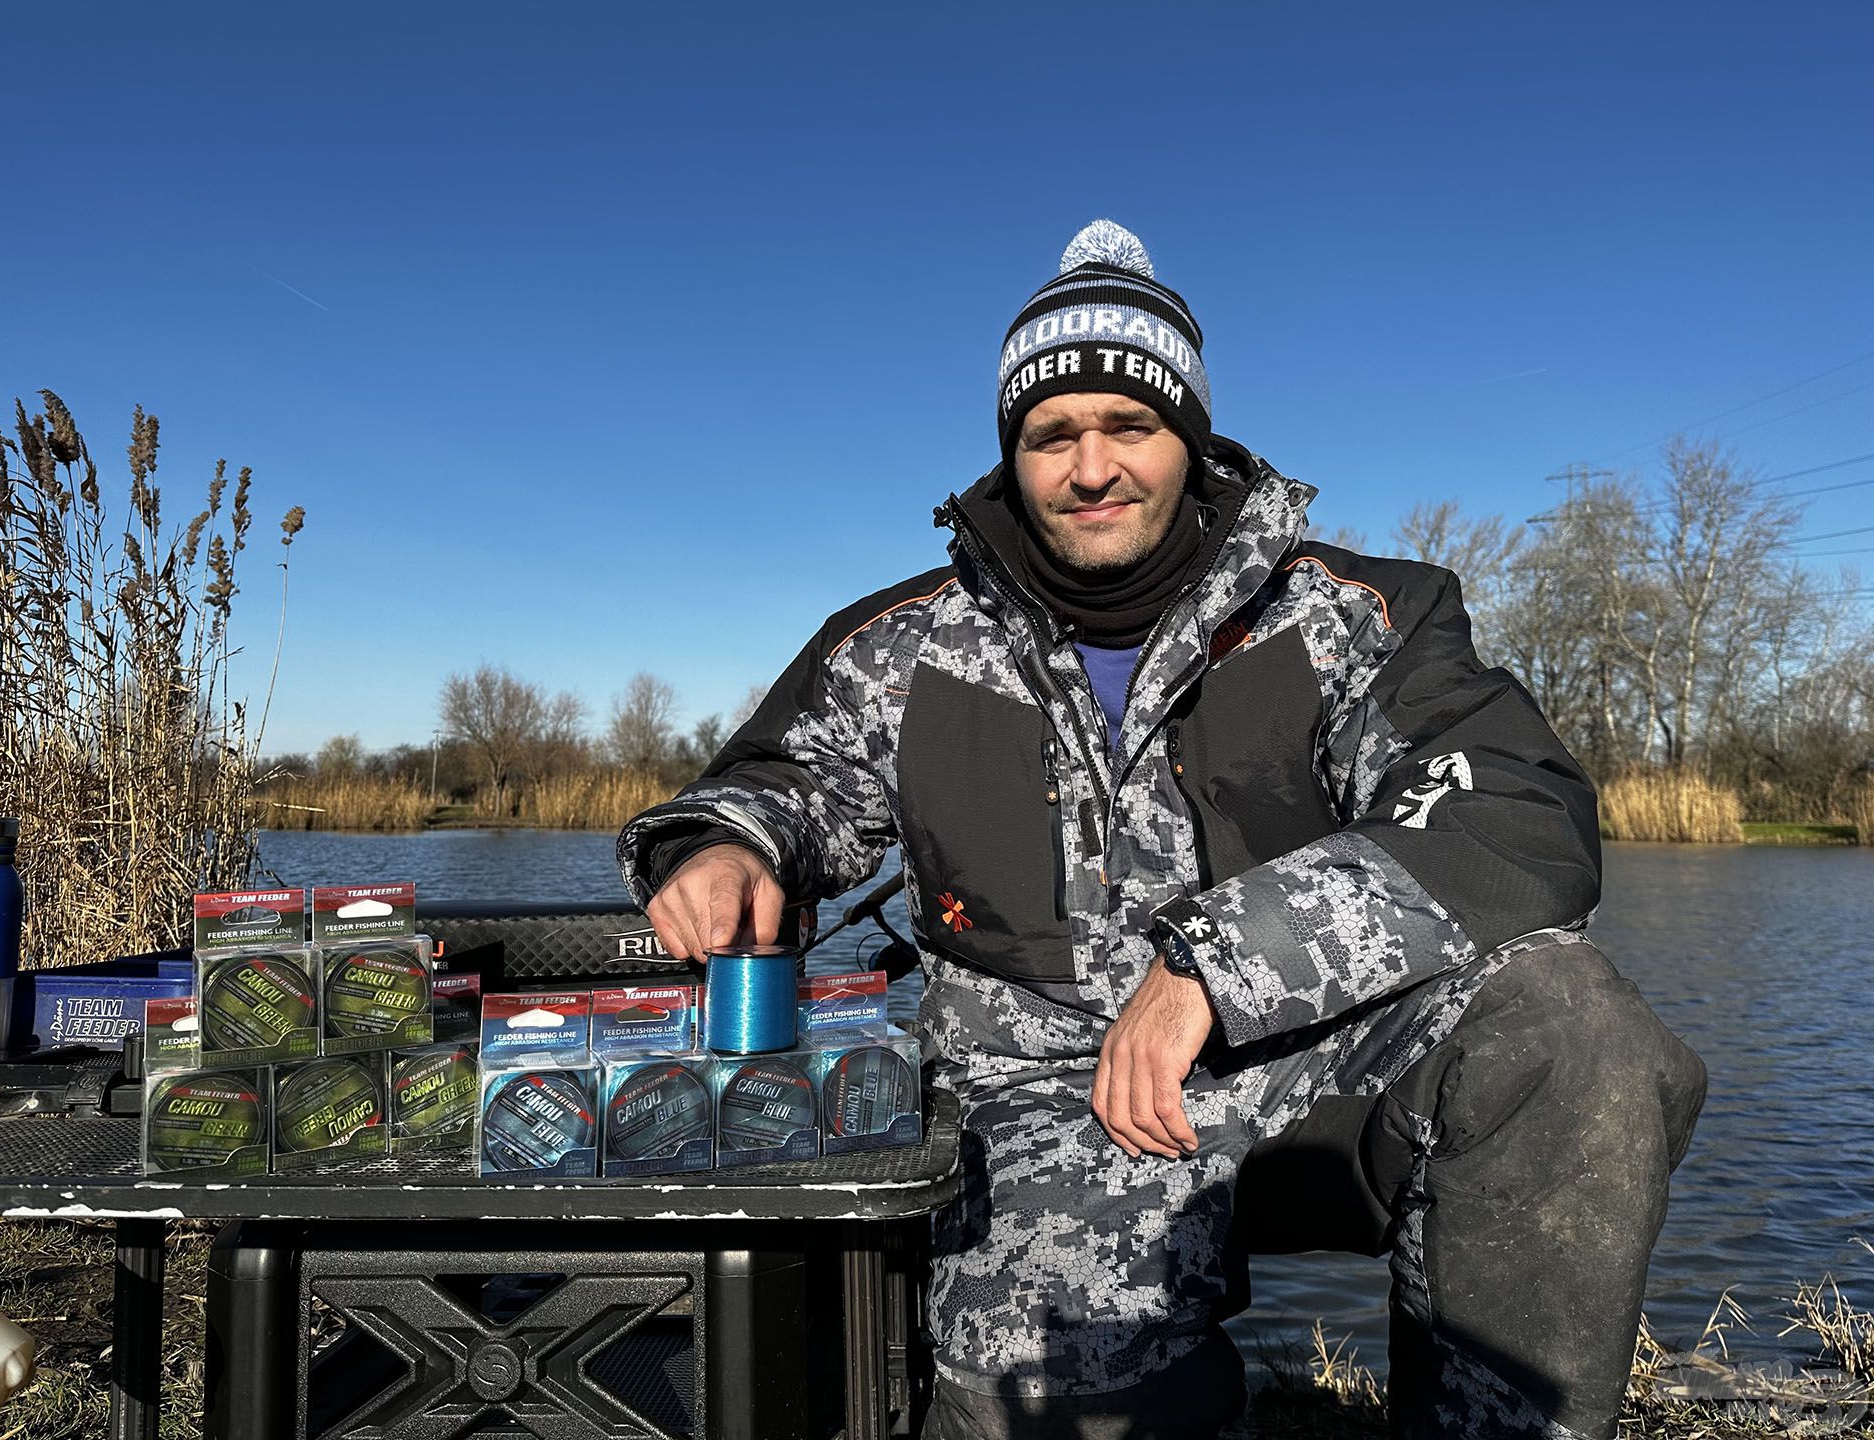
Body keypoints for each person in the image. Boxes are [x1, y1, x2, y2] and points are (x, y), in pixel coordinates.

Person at [618, 220, 1706, 1439]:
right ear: (1012, 457)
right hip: (1036, 1096)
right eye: (1051, 436)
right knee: (1049, 1386)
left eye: (1129, 427)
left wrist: (1217, 965)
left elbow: (1515, 816)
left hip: (1315, 1064)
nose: (1092, 469)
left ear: (1189, 436)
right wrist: (728, 844)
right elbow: (787, 781)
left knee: (1569, 1027)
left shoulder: (1357, 614)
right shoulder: (899, 643)